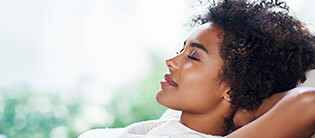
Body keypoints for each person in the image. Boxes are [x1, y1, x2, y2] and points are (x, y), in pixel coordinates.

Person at [79, 0, 315, 137]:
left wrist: (248, 109)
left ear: (231, 90)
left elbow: (308, 102)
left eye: (193, 56)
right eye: (182, 49)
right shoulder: (179, 119)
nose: (171, 61)